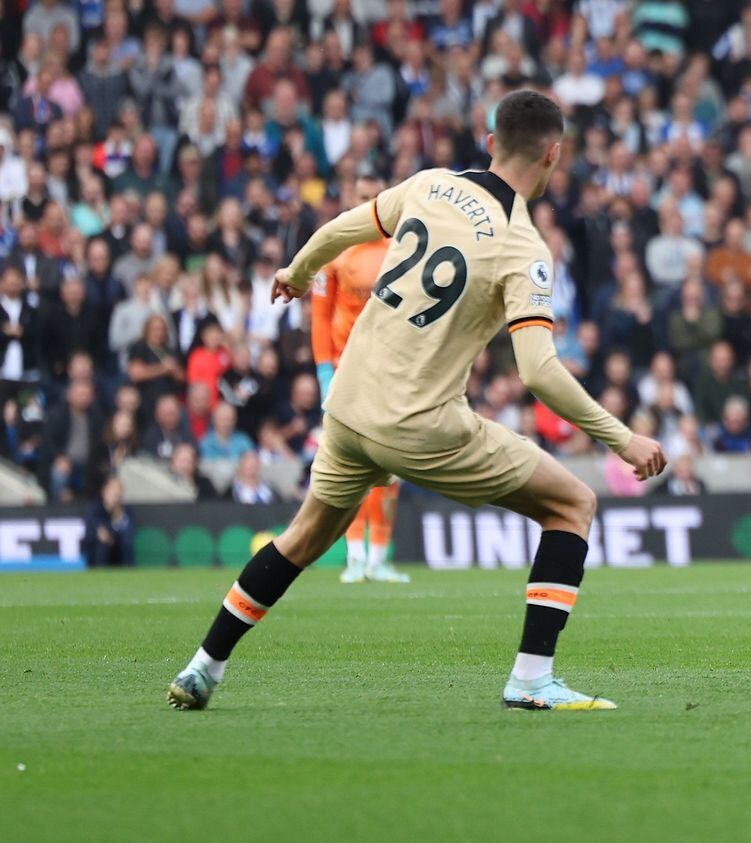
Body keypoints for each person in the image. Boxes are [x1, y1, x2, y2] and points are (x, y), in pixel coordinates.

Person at [167, 91, 666, 714]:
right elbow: (537, 372)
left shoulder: (431, 184)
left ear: (490, 143)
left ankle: (202, 669)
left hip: (348, 407)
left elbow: (341, 230)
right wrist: (623, 439)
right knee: (573, 504)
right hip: (419, 424)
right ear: (554, 154)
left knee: (302, 539)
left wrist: (296, 272)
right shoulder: (523, 246)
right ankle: (532, 678)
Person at [311, 174, 408, 585]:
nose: (369, 204)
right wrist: (323, 374)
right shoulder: (333, 247)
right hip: (347, 369)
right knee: (351, 465)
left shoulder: (403, 247)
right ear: (350, 198)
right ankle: (354, 556)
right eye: (362, 196)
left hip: (390, 369)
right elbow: (319, 316)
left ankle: (379, 558)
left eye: (375, 197)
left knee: (391, 465)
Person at [84, 475, 133, 567]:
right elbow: (95, 531)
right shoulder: (95, 509)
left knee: (126, 544)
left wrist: (118, 516)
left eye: (118, 494)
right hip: (98, 547)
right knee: (102, 545)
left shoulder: (125, 511)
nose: (115, 497)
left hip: (117, 544)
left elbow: (128, 530)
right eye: (112, 493)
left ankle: (128, 572)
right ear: (104, 492)